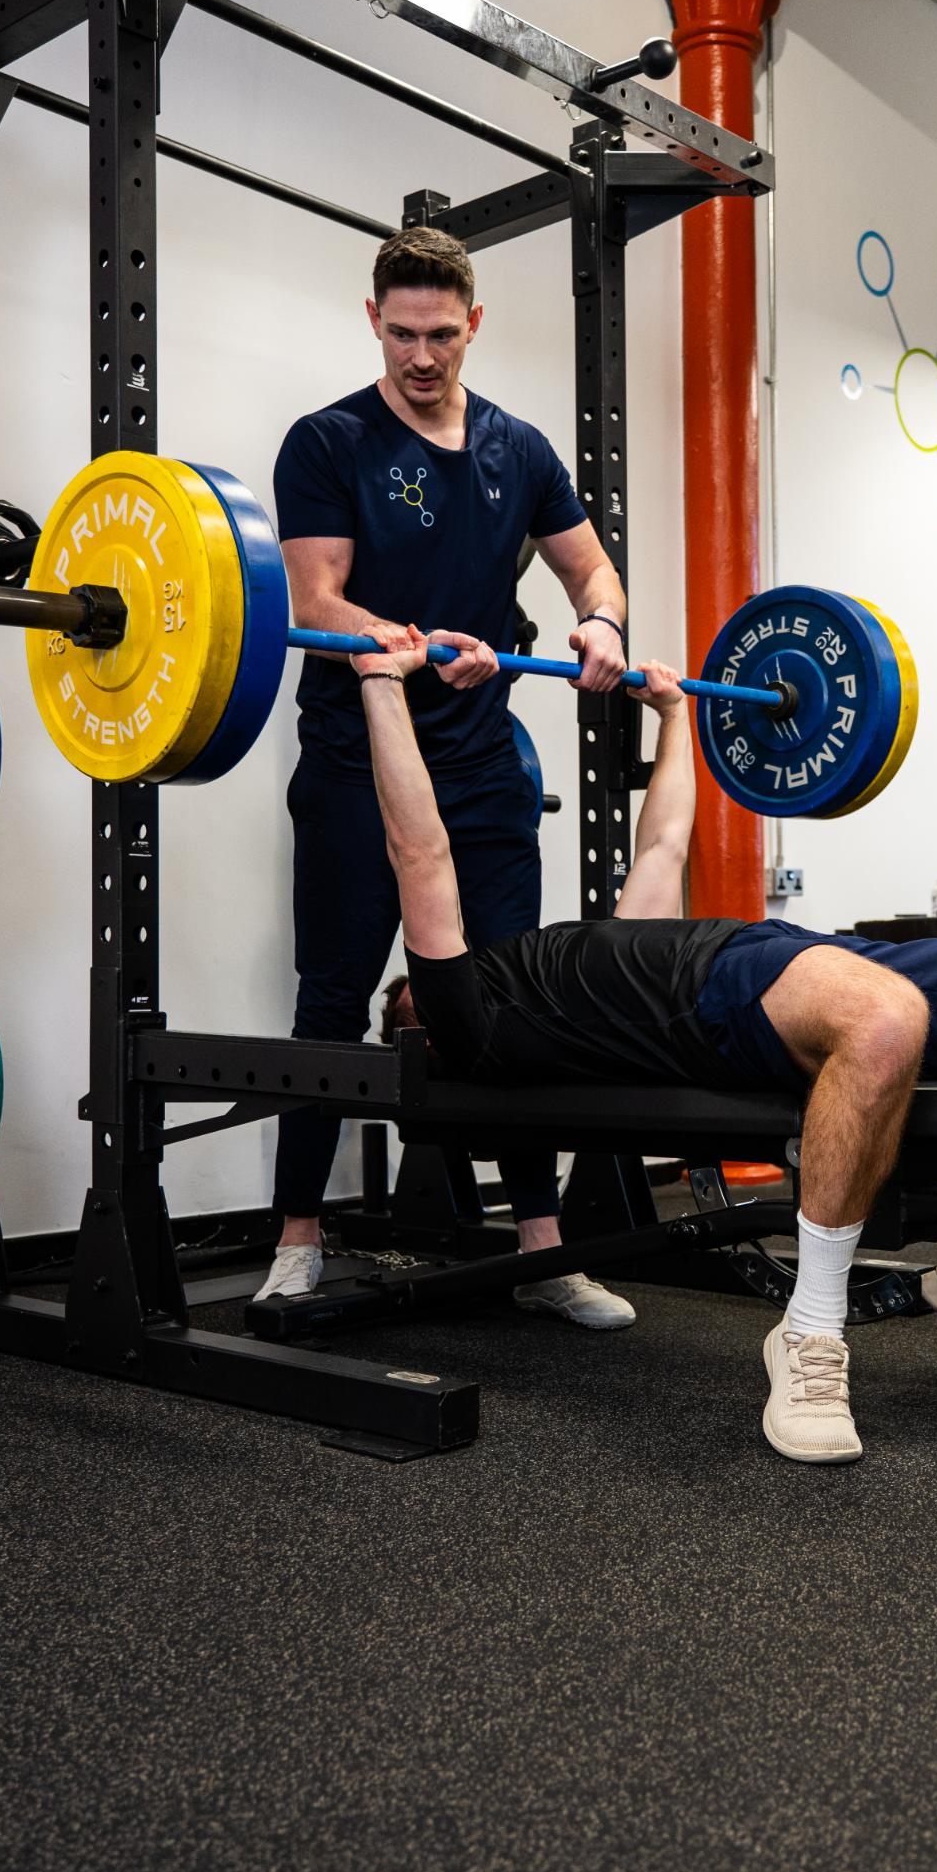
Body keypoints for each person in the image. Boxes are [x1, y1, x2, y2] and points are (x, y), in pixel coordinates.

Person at [356, 625, 937, 1465]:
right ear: (415, 1027)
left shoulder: (571, 960)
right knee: (886, 1020)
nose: (417, 976)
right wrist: (381, 684)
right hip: (720, 1003)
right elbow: (421, 851)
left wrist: (673, 714)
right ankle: (811, 1333)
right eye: (406, 991)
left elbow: (664, 846)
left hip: (789, 955)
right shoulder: (466, 1024)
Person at [258, 227, 635, 1328]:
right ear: (371, 319)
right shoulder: (326, 440)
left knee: (510, 996)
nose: (422, 356)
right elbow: (315, 598)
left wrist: (602, 622)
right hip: (352, 760)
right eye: (402, 332)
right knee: (331, 998)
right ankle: (296, 1237)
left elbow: (590, 565)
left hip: (477, 767)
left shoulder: (518, 451)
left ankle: (541, 1251)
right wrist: (408, 637)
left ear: (473, 325)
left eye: (442, 336)